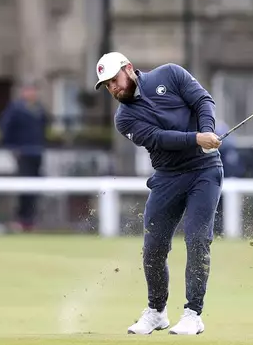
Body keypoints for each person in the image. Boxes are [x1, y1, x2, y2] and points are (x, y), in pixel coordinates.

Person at [95, 52, 223, 336]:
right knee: (153, 246)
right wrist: (196, 139)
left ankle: (193, 314)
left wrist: (207, 131)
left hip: (204, 170)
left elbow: (203, 101)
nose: (113, 88)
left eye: (114, 80)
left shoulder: (170, 74)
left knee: (197, 238)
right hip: (167, 176)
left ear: (129, 69)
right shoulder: (124, 118)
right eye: (107, 85)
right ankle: (156, 311)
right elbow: (158, 138)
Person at [0, 81, 48, 232]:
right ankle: (22, 219)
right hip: (24, 152)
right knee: (24, 187)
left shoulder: (39, 109)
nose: (32, 94)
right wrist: (13, 148)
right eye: (29, 90)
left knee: (35, 187)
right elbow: (5, 128)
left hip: (37, 151)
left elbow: (44, 127)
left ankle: (31, 219)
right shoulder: (16, 109)